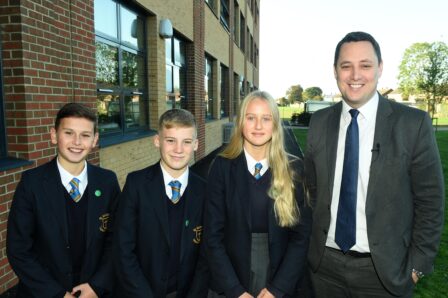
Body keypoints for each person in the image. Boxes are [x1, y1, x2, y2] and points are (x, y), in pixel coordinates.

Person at [305, 31, 445, 298]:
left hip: (384, 274)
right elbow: (311, 190)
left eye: (365, 65)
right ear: (335, 71)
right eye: (346, 66)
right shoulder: (320, 122)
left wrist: (417, 266)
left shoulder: (412, 124)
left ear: (380, 68)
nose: (355, 75)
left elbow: (430, 202)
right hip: (324, 269)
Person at [7, 103, 121, 298]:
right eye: (68, 133)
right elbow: (19, 250)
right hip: (44, 292)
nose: (77, 142)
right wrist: (56, 294)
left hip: (95, 292)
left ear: (95, 140)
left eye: (85, 135)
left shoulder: (107, 181)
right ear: (54, 135)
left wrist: (97, 285)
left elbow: (117, 240)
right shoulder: (32, 183)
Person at [205, 90, 312, 298]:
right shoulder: (221, 167)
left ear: (275, 124)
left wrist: (278, 288)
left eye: (266, 118)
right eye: (251, 118)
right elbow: (212, 237)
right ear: (240, 122)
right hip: (231, 276)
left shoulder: (293, 169)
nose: (258, 126)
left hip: (278, 275)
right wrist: (235, 290)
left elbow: (301, 236)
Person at [114, 109, 208, 297]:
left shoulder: (205, 190)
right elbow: (123, 249)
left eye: (186, 142)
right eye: (170, 140)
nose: (178, 150)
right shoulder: (136, 185)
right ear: (157, 141)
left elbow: (206, 255)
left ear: (196, 144)